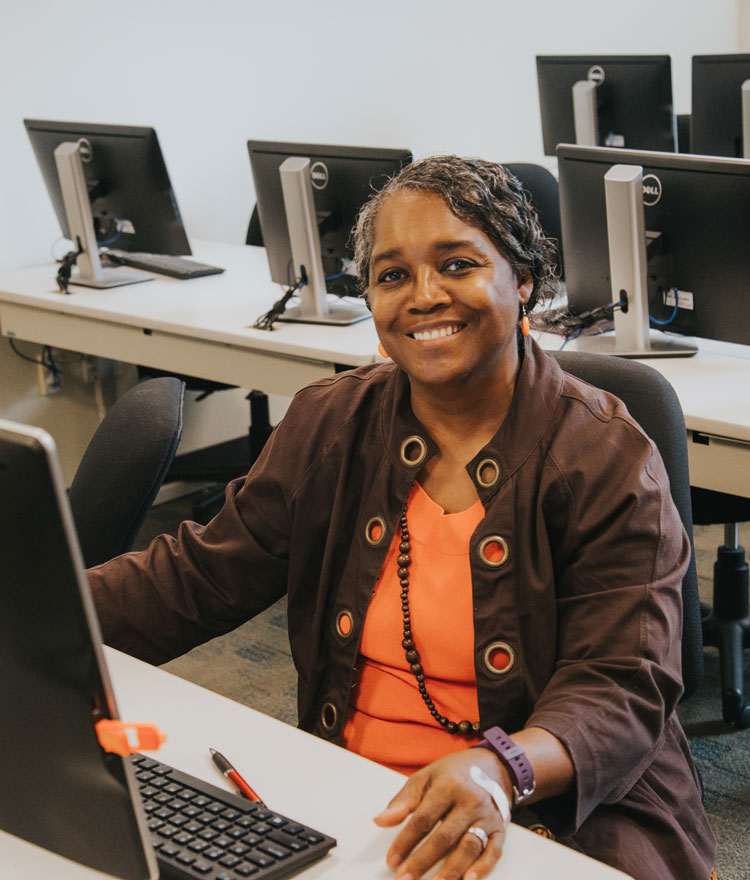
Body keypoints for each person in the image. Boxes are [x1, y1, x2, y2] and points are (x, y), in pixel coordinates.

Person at [88, 155, 716, 880]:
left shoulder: (604, 454)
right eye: (392, 275)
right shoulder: (332, 423)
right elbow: (195, 577)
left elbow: (621, 683)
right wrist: (41, 619)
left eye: (457, 264)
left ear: (526, 280)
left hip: (561, 811)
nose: (423, 295)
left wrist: (496, 771)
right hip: (358, 799)